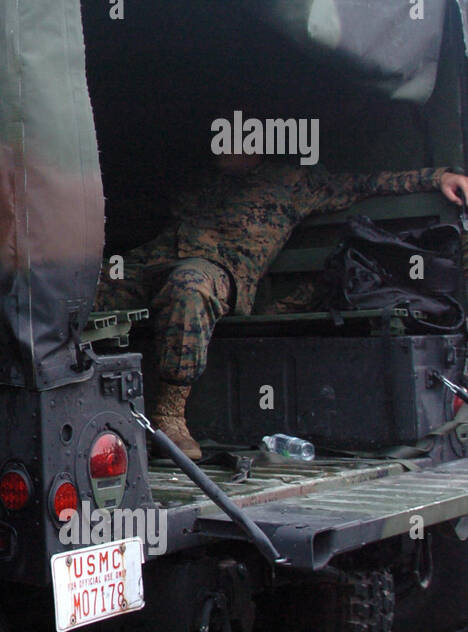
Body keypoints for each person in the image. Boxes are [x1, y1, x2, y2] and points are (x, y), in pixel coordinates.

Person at [95, 154, 468, 459]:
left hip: (217, 271)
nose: (220, 148)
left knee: (189, 286)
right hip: (156, 261)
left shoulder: (293, 182)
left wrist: (439, 177)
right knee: (83, 287)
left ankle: (170, 414)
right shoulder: (201, 182)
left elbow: (367, 183)